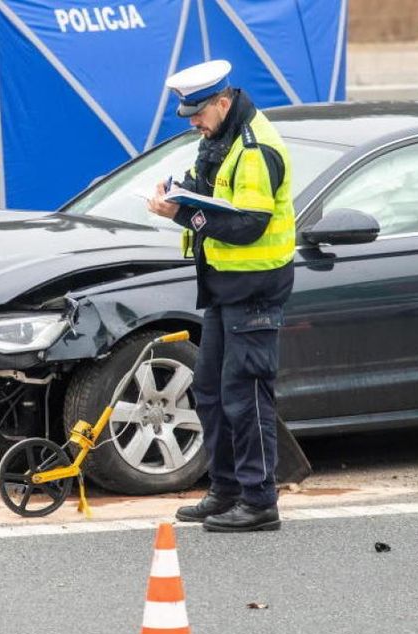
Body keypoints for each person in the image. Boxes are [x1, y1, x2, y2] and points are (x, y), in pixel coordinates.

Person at [146, 60, 295, 533]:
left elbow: (249, 226)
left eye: (197, 113)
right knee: (209, 391)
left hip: (253, 290)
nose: (192, 122)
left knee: (245, 396)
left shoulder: (254, 149)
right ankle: (226, 490)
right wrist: (177, 194)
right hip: (222, 289)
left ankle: (259, 501)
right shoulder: (220, 138)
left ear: (223, 103)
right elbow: (204, 188)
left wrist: (183, 217)